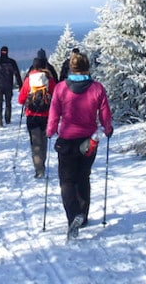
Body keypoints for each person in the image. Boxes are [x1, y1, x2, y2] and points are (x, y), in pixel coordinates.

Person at [46, 52, 113, 238]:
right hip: (89, 141)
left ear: (70, 68)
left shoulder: (60, 88)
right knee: (83, 177)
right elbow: (105, 114)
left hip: (66, 140)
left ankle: (73, 216)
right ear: (87, 67)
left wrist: (50, 131)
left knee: (67, 181)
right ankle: (82, 216)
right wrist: (107, 129)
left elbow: (54, 113)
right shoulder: (97, 88)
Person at [18, 57, 57, 178]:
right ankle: (43, 164)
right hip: (46, 115)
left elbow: (21, 99)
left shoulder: (29, 79)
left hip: (32, 115)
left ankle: (38, 169)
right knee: (44, 141)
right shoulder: (49, 79)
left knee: (35, 143)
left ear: (33, 67)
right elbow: (56, 95)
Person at [0, 46, 22, 127]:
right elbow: (17, 74)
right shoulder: (12, 62)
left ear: (0, 52)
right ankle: (7, 119)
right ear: (7, 52)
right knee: (8, 103)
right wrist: (21, 86)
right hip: (8, 85)